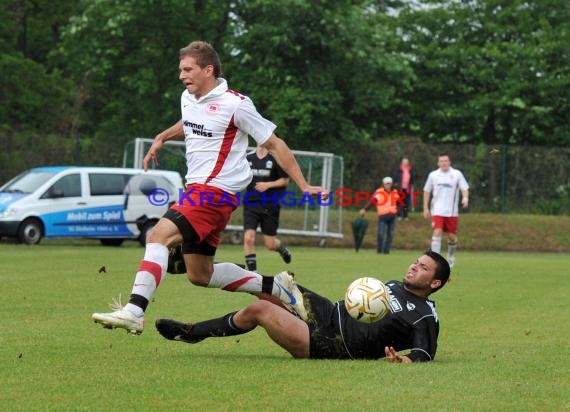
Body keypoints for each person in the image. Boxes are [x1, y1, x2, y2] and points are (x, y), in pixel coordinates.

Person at [92, 41, 328, 335]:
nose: (181, 75)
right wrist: (162, 137)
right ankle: (273, 285)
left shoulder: (236, 104)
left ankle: (134, 311)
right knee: (200, 274)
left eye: (187, 69)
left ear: (208, 69)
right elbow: (190, 121)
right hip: (201, 193)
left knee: (158, 236)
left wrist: (303, 185)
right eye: (180, 70)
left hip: (213, 193)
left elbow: (275, 143)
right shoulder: (188, 98)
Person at [155, 250, 450, 362]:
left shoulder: (425, 315)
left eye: (423, 268)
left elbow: (425, 353)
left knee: (261, 310)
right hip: (327, 312)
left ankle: (193, 332)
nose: (414, 267)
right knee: (265, 285)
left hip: (334, 343)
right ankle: (202, 265)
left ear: (434, 283)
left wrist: (404, 360)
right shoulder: (394, 286)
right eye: (416, 262)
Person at [243, 145, 291, 272]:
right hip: (251, 203)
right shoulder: (248, 157)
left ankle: (281, 248)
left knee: (270, 244)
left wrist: (268, 185)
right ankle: (253, 273)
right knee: (248, 238)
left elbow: (285, 180)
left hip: (270, 204)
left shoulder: (275, 157)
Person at [422, 152, 469, 268]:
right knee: (437, 231)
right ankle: (435, 259)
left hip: (452, 212)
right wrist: (425, 207)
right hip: (437, 210)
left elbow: (465, 188)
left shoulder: (456, 174)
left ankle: (451, 256)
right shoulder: (433, 175)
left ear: (449, 162)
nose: (443, 163)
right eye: (441, 161)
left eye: (445, 161)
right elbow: (427, 191)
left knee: (452, 236)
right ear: (438, 163)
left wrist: (465, 198)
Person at [359, 177, 400, 254]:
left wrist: (398, 212)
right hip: (383, 215)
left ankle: (386, 251)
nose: (388, 185)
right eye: (387, 184)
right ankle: (379, 250)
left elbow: (399, 203)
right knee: (380, 234)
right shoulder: (379, 192)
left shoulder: (395, 192)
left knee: (390, 234)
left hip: (392, 215)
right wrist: (365, 209)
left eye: (389, 183)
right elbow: (372, 201)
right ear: (383, 184)